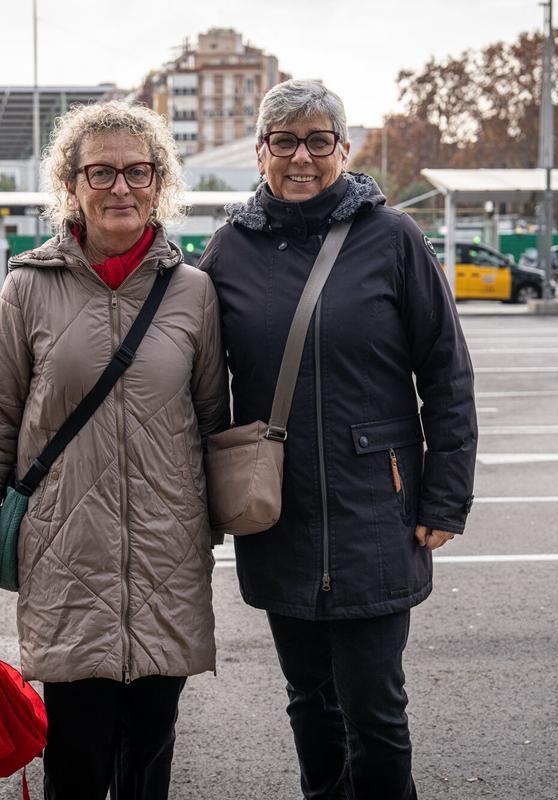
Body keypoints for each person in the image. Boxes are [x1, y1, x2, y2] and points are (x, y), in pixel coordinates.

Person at [199, 79, 477, 800]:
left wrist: (446, 497)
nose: (301, 156)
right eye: (284, 141)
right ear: (261, 152)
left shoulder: (392, 239)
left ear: (343, 150)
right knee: (309, 703)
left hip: (375, 512)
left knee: (376, 715)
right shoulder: (229, 248)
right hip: (277, 512)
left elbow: (446, 372)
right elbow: (191, 377)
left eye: (317, 140)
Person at [0, 100, 228, 800]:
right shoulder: (28, 288)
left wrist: (218, 528)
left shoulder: (192, 293)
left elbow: (213, 420)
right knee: (76, 755)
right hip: (65, 558)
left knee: (149, 757)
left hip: (166, 558)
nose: (120, 188)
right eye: (100, 172)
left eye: (138, 171)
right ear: (70, 185)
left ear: (160, 182)